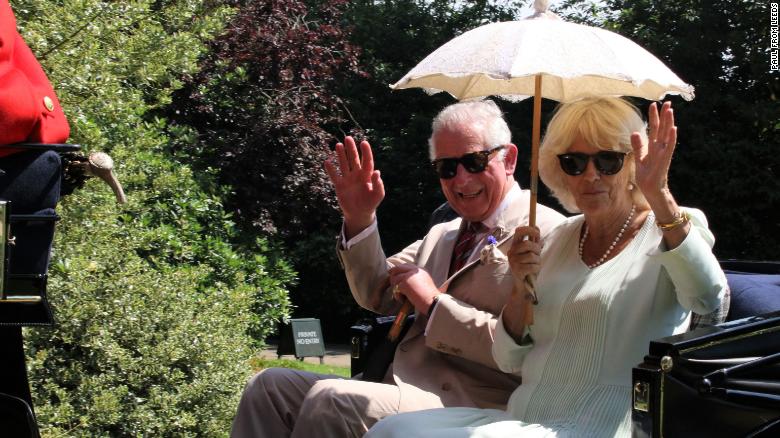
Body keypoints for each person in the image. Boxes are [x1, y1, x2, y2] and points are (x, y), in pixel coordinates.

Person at [365, 97, 728, 438]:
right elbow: (508, 358)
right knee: (391, 431)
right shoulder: (557, 239)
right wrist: (521, 292)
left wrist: (660, 195)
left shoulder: (671, 229)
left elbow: (708, 300)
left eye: (608, 161)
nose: (590, 176)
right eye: (574, 162)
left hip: (604, 424)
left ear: (633, 163)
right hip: (526, 415)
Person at [230, 100, 566, 437]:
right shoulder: (443, 234)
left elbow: (527, 351)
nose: (461, 179)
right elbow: (376, 291)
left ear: (509, 159)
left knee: (334, 400)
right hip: (399, 386)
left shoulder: (547, 234)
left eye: (474, 161)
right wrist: (359, 218)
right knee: (269, 387)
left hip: (475, 403)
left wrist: (434, 305)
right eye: (446, 168)